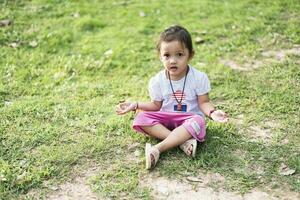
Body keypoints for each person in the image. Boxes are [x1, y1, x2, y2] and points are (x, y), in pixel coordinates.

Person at [116, 25, 228, 170]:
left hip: (188, 120)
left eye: (179, 55)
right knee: (141, 117)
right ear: (160, 56)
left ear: (190, 55)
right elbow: (156, 106)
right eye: (167, 55)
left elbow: (204, 102)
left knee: (198, 121)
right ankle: (182, 142)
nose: (173, 61)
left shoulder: (199, 78)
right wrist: (136, 105)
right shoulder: (157, 80)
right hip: (166, 119)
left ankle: (157, 149)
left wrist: (213, 113)